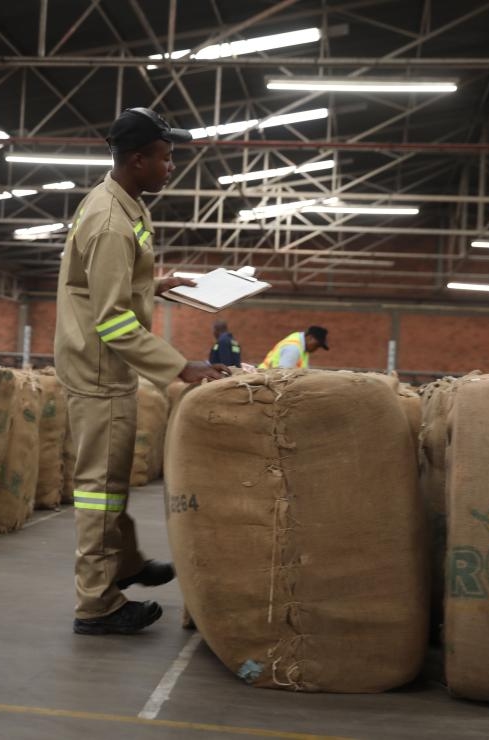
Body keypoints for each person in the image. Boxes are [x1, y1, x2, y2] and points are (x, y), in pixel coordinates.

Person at [55, 107, 226, 636]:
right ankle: (96, 604)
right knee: (99, 488)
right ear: (136, 160)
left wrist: (158, 282)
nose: (170, 166)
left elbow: (105, 286)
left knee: (109, 480)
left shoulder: (123, 204)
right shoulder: (111, 221)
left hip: (103, 364)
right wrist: (183, 367)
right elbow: (111, 321)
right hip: (100, 367)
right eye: (165, 157)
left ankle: (124, 565)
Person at [259, 325, 330, 369]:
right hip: (267, 385)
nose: (316, 349)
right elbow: (283, 377)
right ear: (309, 337)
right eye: (317, 345)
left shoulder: (301, 345)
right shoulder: (293, 349)